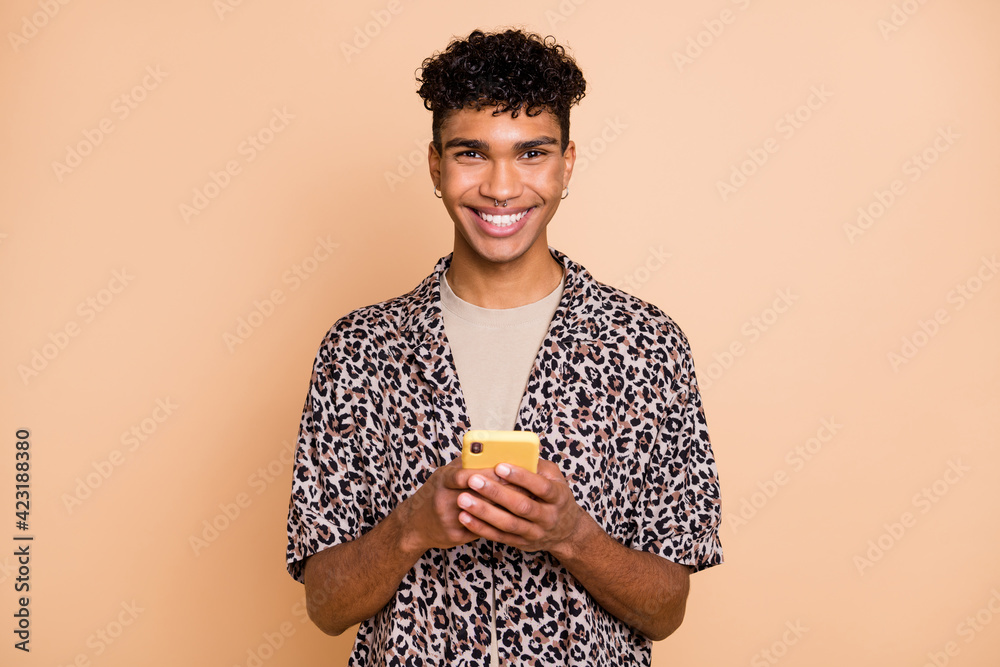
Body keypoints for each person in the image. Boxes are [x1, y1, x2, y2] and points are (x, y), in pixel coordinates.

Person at [285, 27, 723, 666]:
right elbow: (325, 607)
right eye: (471, 154)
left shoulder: (645, 347)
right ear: (436, 166)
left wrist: (571, 537)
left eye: (531, 153)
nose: (501, 186)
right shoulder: (360, 351)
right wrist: (411, 529)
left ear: (566, 164)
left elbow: (666, 610)